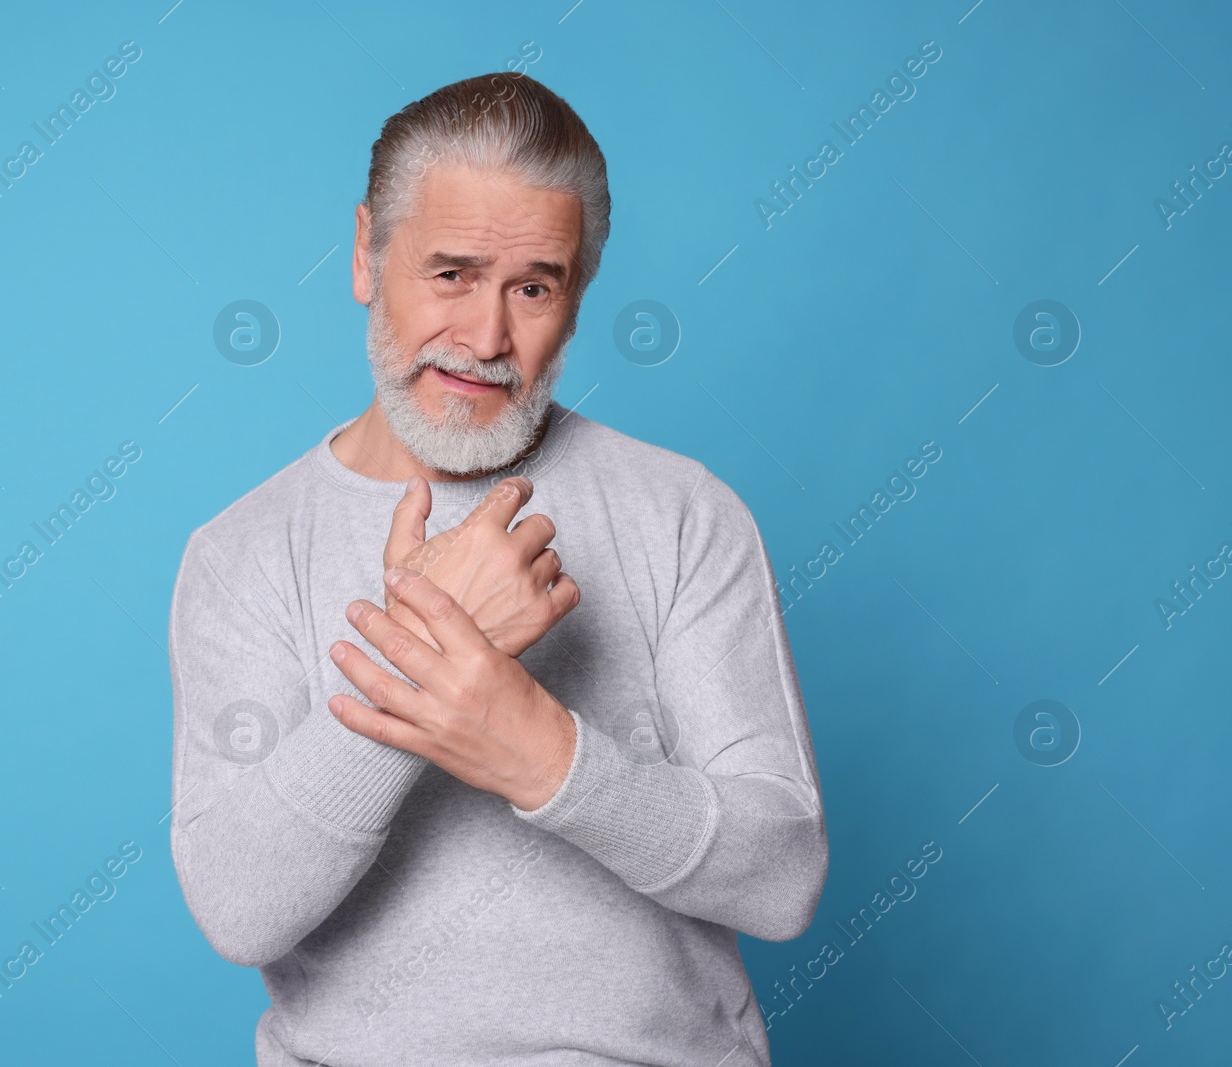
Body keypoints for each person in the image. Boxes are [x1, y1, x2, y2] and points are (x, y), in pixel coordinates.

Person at [168, 70, 827, 1066]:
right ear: (363, 253)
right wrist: (428, 657)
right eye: (450, 273)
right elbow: (238, 906)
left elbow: (780, 878)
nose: (484, 339)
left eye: (533, 286)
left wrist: (531, 743)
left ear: (575, 297)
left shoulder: (686, 513)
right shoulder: (240, 555)